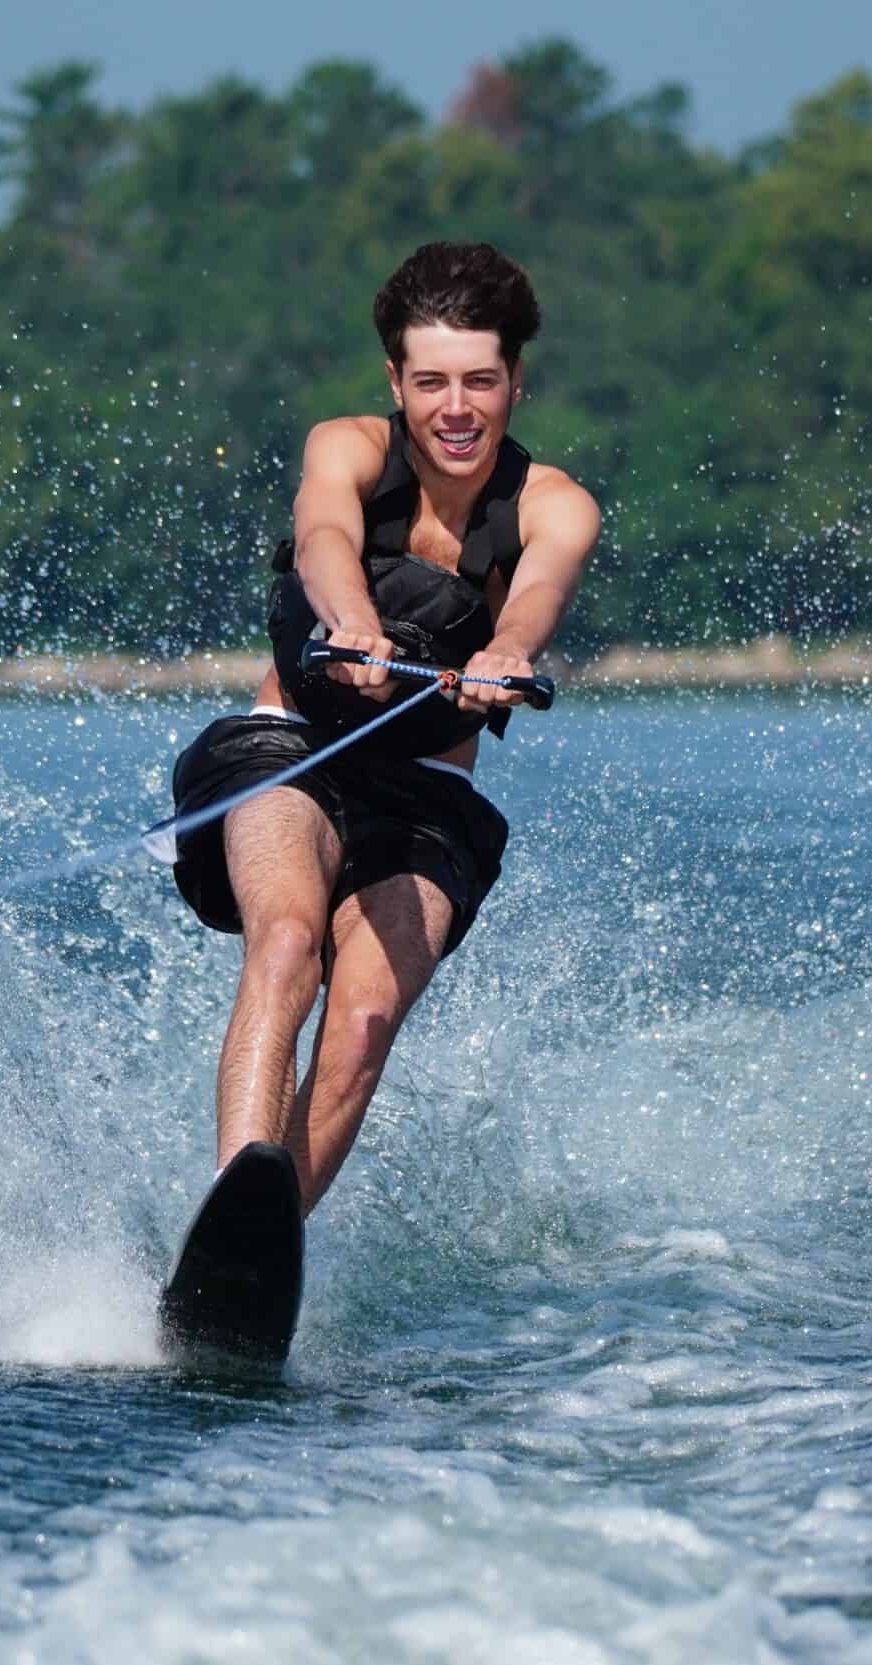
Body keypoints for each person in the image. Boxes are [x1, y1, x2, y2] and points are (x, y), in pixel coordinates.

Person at [166, 240, 600, 1213]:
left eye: (480, 382)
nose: (457, 408)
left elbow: (538, 589)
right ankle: (237, 1189)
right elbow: (322, 535)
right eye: (432, 381)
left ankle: (260, 1249)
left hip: (424, 799)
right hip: (287, 753)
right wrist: (349, 617)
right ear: (396, 381)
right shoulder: (349, 447)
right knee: (286, 944)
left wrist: (507, 650)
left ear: (515, 383)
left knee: (361, 1022)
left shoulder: (554, 505)